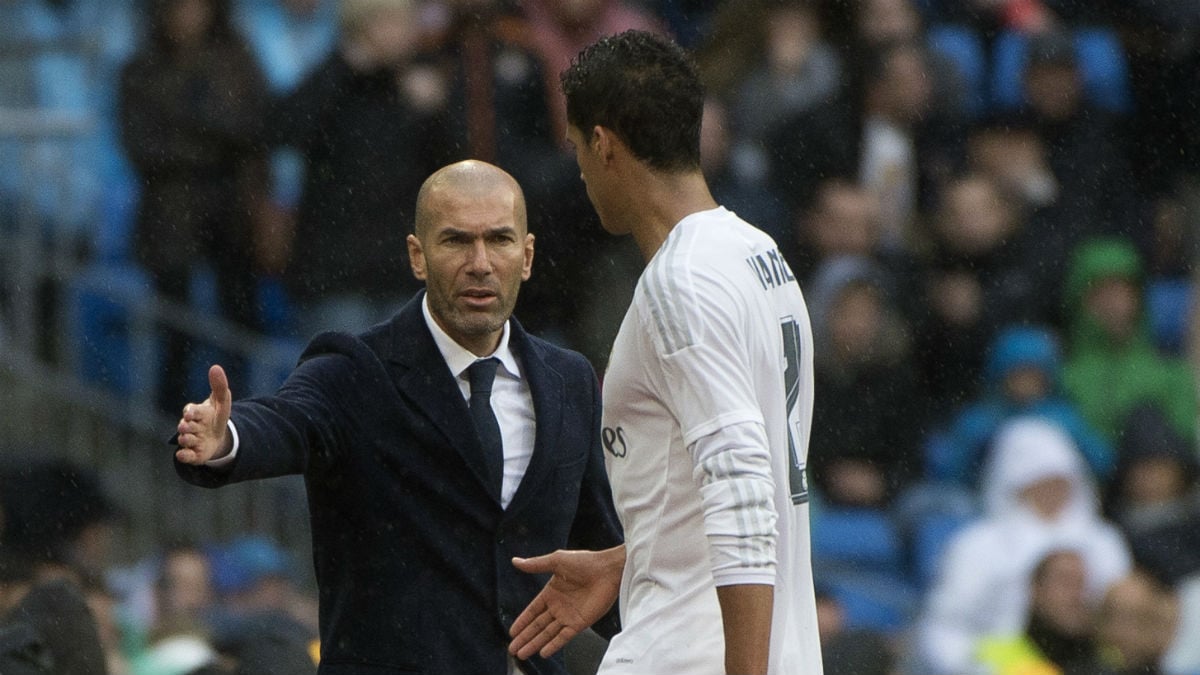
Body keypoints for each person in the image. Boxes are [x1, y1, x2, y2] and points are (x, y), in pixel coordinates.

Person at [172, 159, 622, 674]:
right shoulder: (356, 368)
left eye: (499, 240)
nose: (480, 263)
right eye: (456, 241)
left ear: (527, 255)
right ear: (417, 256)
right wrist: (226, 437)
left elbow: (599, 547)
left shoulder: (570, 380)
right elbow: (290, 420)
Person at [508, 30, 823, 675]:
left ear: (604, 144)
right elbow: (746, 477)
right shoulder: (758, 253)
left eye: (577, 149)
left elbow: (741, 490)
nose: (581, 170)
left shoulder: (681, 282)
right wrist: (631, 559)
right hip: (780, 649)